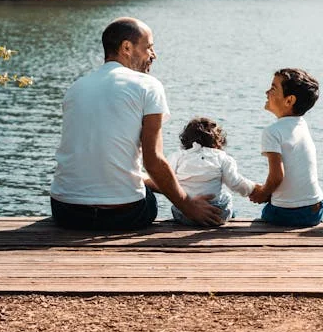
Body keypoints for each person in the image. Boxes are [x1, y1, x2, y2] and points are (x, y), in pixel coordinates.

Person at [49, 17, 222, 230]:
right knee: (150, 198)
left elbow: (100, 159)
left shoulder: (76, 88)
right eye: (149, 47)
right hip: (122, 215)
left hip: (65, 212)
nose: (153, 55)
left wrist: (175, 185)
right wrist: (188, 205)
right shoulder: (148, 86)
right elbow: (154, 161)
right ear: (126, 48)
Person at [249, 68, 323, 227]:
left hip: (289, 213)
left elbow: (277, 177)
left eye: (273, 88)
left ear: (289, 100)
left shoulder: (272, 132)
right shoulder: (302, 125)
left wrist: (262, 193)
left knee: (267, 211)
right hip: (316, 209)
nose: (267, 92)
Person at [168, 117, 258, 226]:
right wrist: (254, 189)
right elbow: (235, 183)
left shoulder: (177, 157)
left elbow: (167, 180)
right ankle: (230, 216)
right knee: (227, 196)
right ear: (218, 140)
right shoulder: (222, 157)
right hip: (215, 213)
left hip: (185, 214)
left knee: (176, 204)